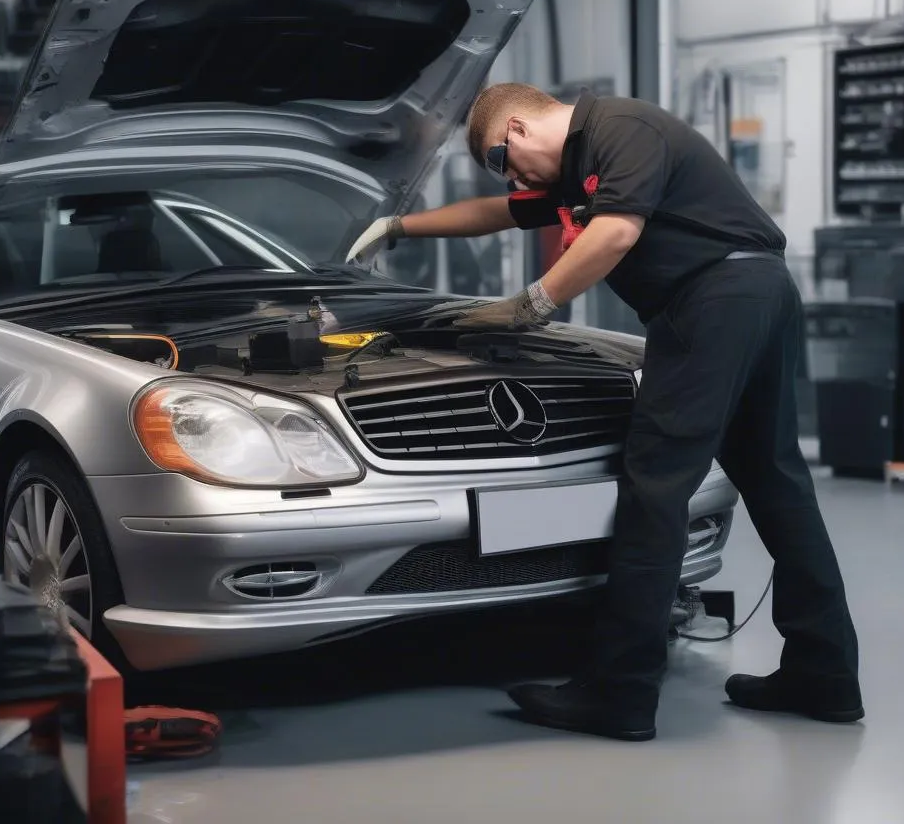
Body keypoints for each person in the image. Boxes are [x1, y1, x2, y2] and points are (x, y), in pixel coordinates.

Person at [345, 83, 862, 742]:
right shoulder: (576, 166)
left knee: (655, 489)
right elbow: (497, 213)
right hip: (751, 295)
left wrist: (531, 303)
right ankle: (826, 673)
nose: (511, 175)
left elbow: (617, 232)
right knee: (777, 483)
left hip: (712, 301)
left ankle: (620, 691)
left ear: (521, 131)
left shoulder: (622, 129)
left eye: (503, 159)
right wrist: (399, 225)